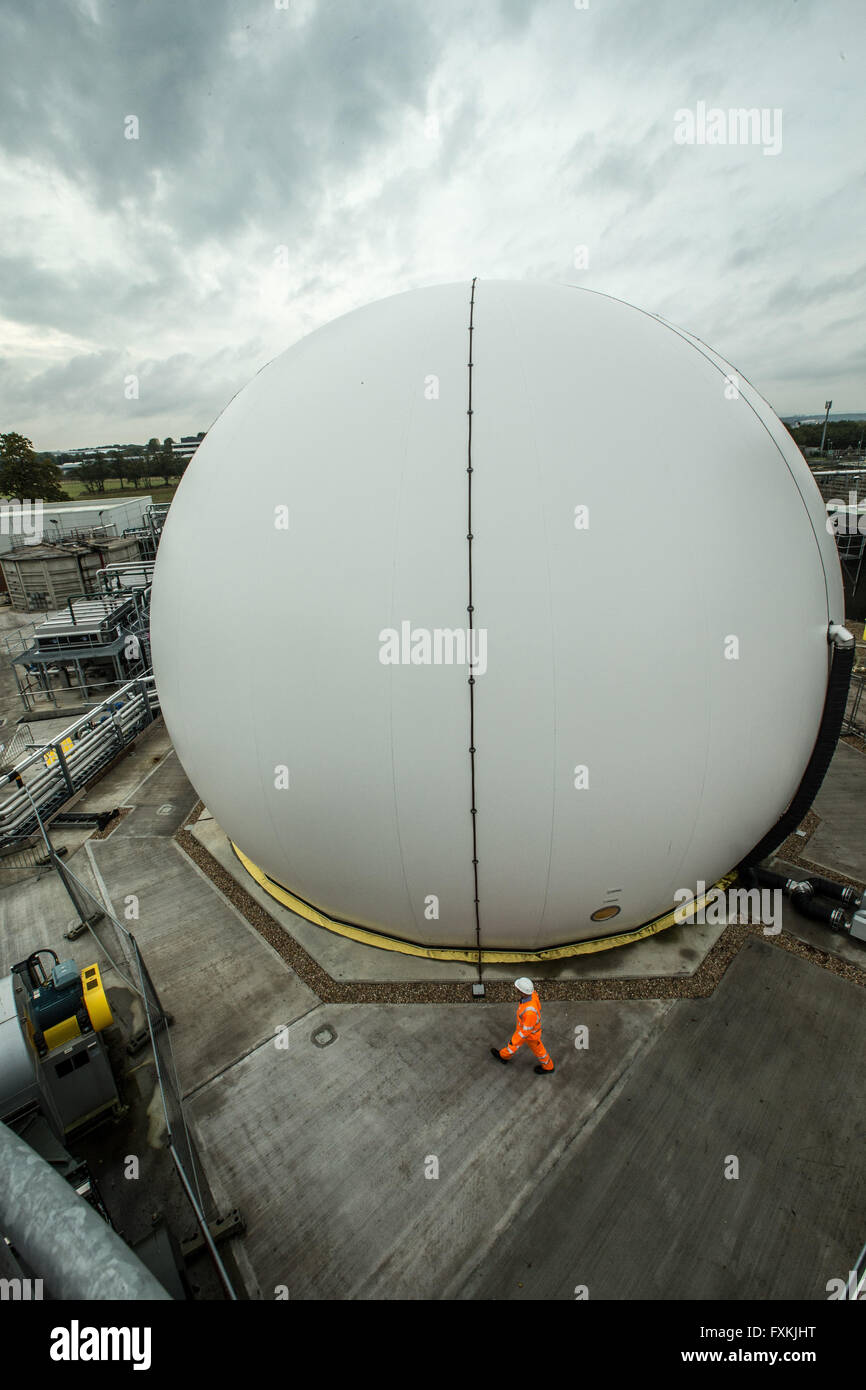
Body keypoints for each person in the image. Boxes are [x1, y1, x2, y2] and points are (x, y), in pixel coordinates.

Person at [490, 976, 554, 1074]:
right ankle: (504, 1056)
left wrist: (515, 1039)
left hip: (530, 1034)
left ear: (523, 993)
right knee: (514, 1046)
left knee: (536, 1050)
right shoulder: (533, 995)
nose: (516, 989)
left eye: (518, 989)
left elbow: (525, 1031)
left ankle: (548, 1067)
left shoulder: (529, 1012)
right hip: (527, 1030)